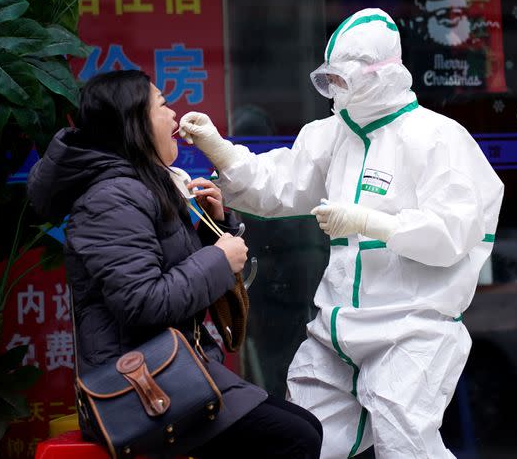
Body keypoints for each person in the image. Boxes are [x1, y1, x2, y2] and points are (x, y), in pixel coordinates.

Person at [178, 8, 504, 458]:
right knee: (303, 441)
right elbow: (278, 184)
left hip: (409, 331)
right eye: (328, 79)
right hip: (334, 332)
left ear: (383, 74)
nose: (335, 91)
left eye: (343, 79)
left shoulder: (437, 138)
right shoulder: (332, 135)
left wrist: (371, 223)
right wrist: (218, 147)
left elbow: (454, 233)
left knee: (406, 445)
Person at [26, 70, 322, 459]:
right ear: (134, 122)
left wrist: (217, 228)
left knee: (306, 429)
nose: (173, 116)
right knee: (293, 437)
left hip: (174, 372)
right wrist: (219, 258)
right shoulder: (110, 199)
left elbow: (169, 271)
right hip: (136, 390)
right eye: (162, 105)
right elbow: (143, 302)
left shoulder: (140, 184)